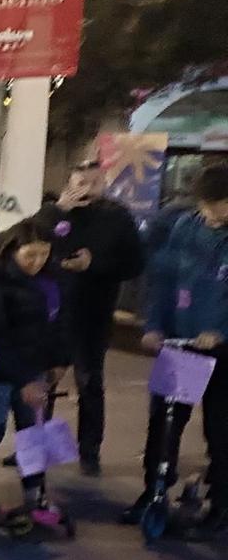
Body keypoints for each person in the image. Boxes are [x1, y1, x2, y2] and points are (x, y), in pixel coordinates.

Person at [126, 164, 228, 529]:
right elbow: (165, 281)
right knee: (165, 424)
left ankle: (220, 506)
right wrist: (154, 325)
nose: (211, 214)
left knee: (220, 429)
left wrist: (220, 331)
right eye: (206, 205)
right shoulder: (186, 227)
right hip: (182, 344)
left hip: (221, 351)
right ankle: (153, 492)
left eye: (218, 206)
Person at [0, 213, 73, 521]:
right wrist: (24, 378)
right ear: (13, 250)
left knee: (33, 433)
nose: (37, 261)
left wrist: (59, 359)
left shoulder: (51, 281)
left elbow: (58, 322)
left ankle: (34, 493)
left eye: (44, 254)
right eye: (30, 255)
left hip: (34, 369)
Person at [52, 161, 145, 474]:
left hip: (93, 311)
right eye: (79, 183)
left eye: (92, 183)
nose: (85, 190)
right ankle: (36, 447)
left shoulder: (117, 217)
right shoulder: (56, 211)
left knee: (89, 381)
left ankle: (89, 451)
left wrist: (95, 263)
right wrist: (56, 212)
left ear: (103, 183)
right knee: (43, 380)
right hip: (52, 309)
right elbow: (29, 243)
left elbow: (134, 264)